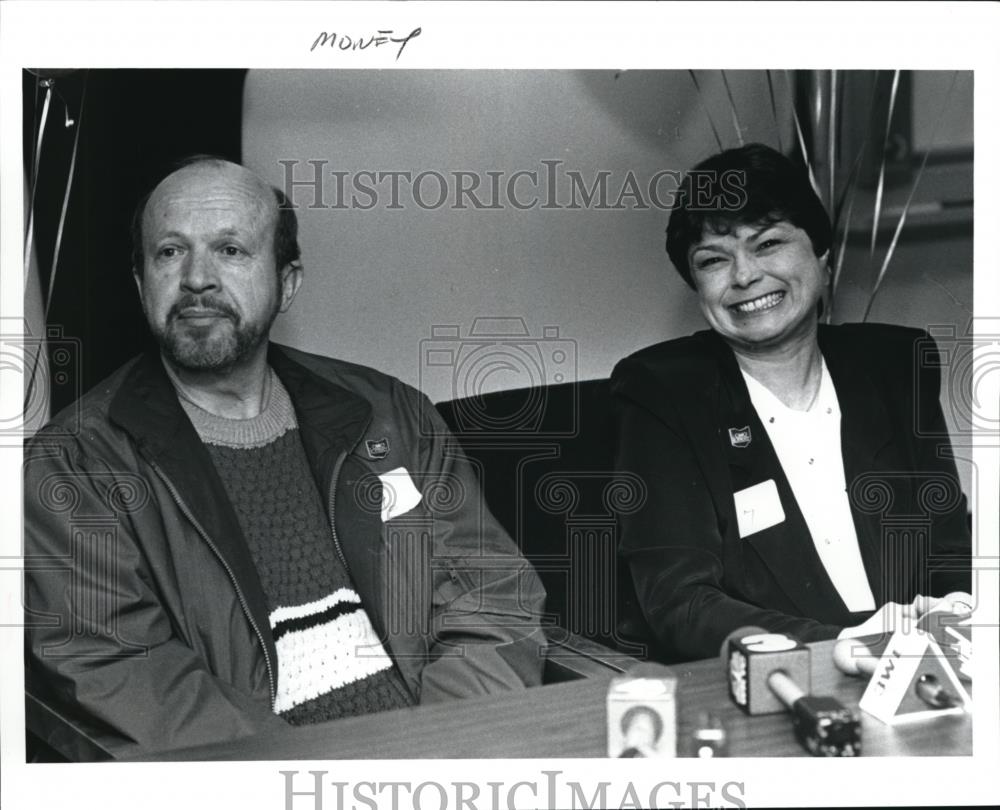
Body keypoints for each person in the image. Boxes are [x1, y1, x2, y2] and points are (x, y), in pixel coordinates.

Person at [24, 157, 547, 759]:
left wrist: (432, 755)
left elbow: (493, 593)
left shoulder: (390, 413)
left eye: (231, 250)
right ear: (142, 284)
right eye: (169, 252)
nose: (197, 278)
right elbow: (112, 662)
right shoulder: (74, 464)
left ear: (288, 281)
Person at [611, 143, 971, 663]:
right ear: (697, 286)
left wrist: (955, 619)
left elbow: (949, 550)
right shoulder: (661, 391)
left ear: (822, 258)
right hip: (778, 679)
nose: (744, 276)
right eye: (714, 259)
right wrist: (841, 647)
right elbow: (680, 603)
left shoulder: (895, 364)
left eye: (768, 243)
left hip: (921, 669)